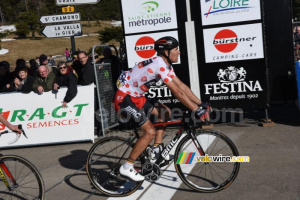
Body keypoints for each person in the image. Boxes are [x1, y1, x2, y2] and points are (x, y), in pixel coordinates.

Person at [113, 36, 209, 181]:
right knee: (149, 132)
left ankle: (156, 149)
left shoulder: (166, 65)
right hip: (124, 97)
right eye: (176, 49)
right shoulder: (160, 65)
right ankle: (127, 166)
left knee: (165, 112)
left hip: (137, 96)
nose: (179, 52)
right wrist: (196, 109)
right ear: (166, 52)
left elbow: (181, 86)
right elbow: (177, 92)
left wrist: (200, 103)